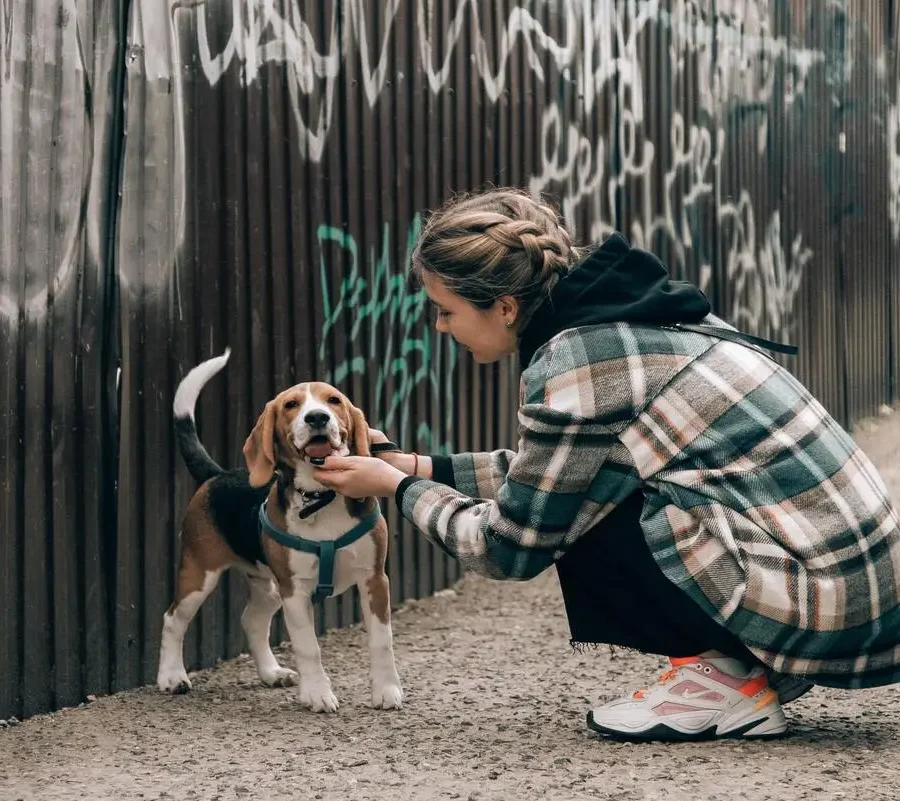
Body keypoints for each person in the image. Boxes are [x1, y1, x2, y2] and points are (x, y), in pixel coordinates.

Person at [312, 187, 900, 742]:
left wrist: (397, 486)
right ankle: (746, 665)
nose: (439, 327)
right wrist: (417, 464)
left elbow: (510, 545)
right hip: (857, 592)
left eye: (445, 310)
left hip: (829, 609)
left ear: (506, 306)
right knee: (592, 490)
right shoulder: (627, 311)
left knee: (585, 515)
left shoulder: (578, 360)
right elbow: (557, 471)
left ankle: (724, 681)